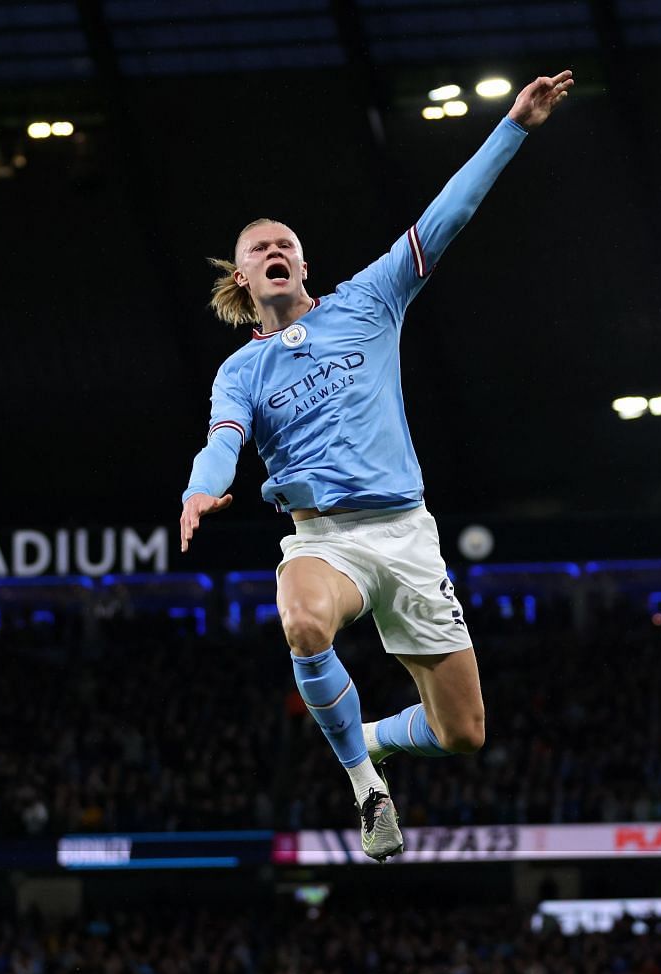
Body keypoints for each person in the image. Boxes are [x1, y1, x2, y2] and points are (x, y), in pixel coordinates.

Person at [179, 71, 575, 861]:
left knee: (461, 732)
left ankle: (366, 735)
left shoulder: (370, 301)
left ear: (301, 263)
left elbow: (448, 214)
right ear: (242, 278)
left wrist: (515, 126)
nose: (277, 251)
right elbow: (222, 439)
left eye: (286, 243)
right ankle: (365, 782)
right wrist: (201, 487)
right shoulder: (242, 372)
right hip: (328, 541)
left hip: (406, 534)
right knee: (300, 620)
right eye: (261, 248)